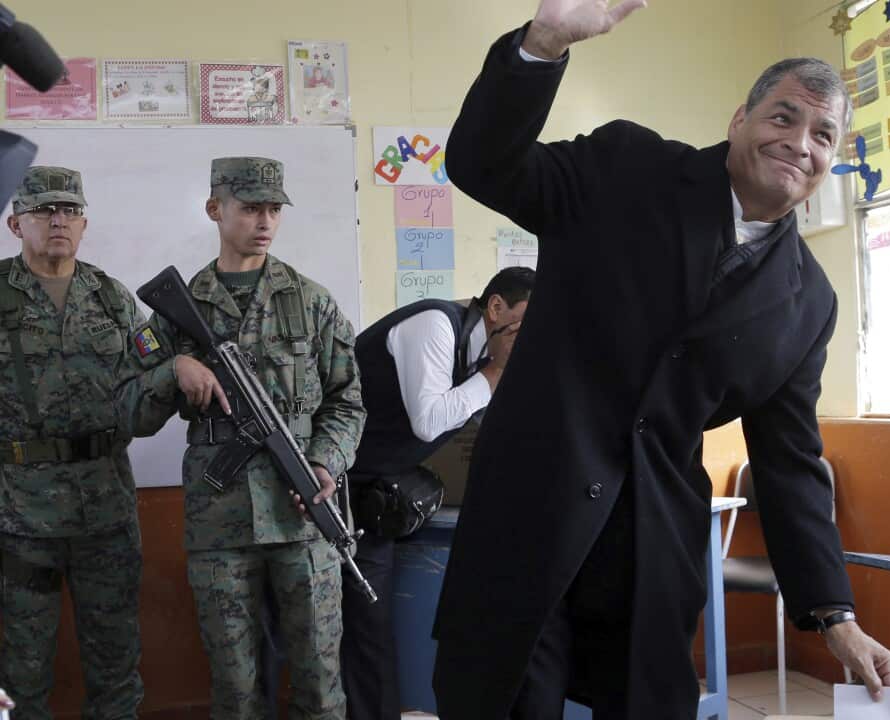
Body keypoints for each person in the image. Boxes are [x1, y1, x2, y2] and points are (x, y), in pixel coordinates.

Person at [433, 2, 890, 717]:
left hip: (651, 549)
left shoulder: (809, 301)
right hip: (533, 509)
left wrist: (835, 615)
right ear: (738, 119)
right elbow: (484, 164)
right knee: (503, 699)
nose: (800, 142)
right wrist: (545, 43)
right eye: (783, 117)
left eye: (823, 134)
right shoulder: (627, 168)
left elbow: (789, 459)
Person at [114, 157, 365, 719]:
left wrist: (324, 462)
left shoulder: (311, 301)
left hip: (302, 516)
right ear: (215, 210)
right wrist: (172, 368)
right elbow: (130, 411)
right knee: (234, 686)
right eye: (250, 208)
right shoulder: (178, 308)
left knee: (320, 682)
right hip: (219, 524)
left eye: (273, 209)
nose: (264, 220)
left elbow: (348, 401)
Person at [341, 266, 534, 720]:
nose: (529, 335)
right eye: (526, 321)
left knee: (372, 624)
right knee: (360, 626)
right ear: (496, 306)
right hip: (337, 482)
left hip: (377, 489)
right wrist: (495, 373)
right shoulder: (434, 325)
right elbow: (428, 419)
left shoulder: (485, 348)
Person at [0, 167, 146, 720]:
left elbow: (147, 377)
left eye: (68, 211)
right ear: (16, 223)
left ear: (84, 223)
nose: (57, 220)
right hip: (19, 519)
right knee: (23, 666)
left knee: (115, 664)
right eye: (43, 211)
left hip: (105, 513)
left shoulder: (112, 298)